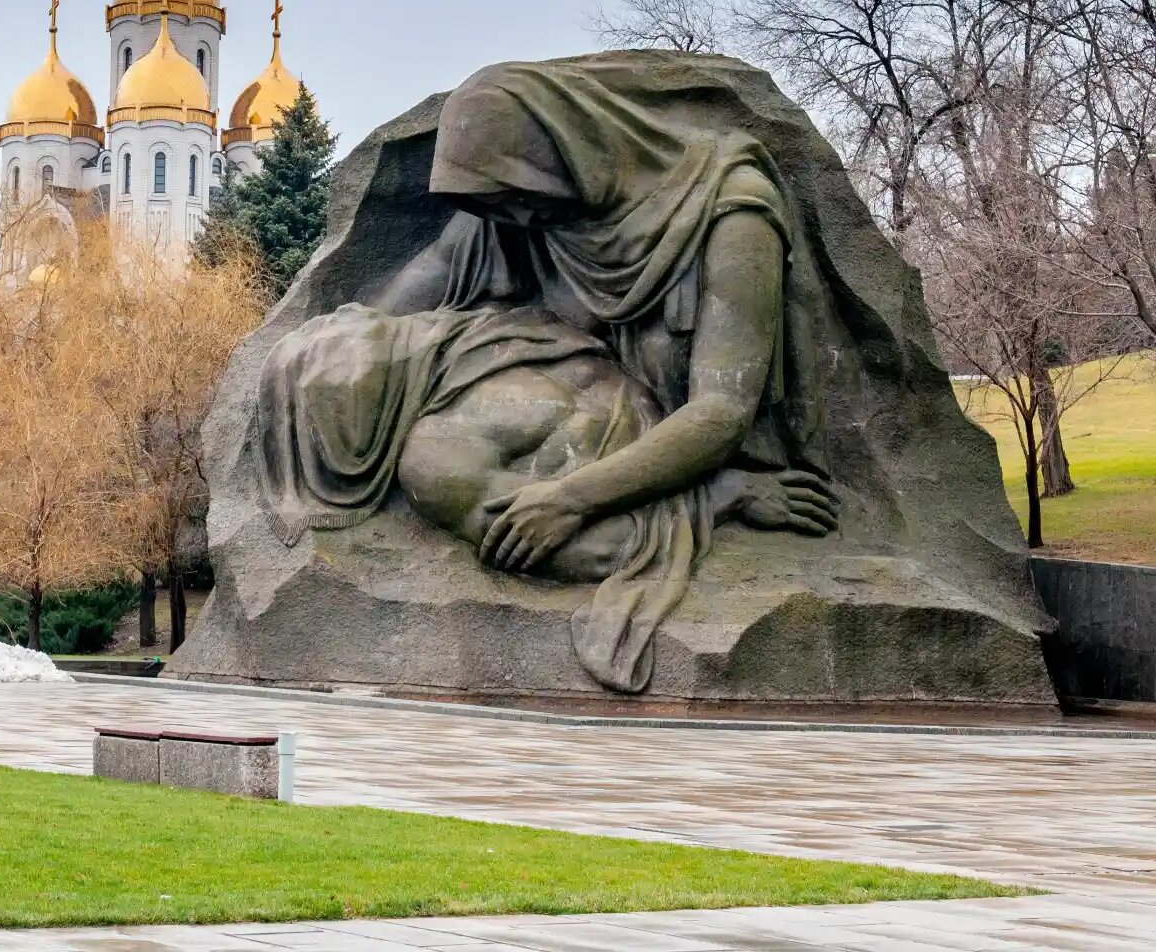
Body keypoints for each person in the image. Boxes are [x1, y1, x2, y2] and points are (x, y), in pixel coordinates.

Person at [255, 59, 839, 691]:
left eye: (518, 196)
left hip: (682, 438)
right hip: (577, 436)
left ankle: (707, 499)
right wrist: (330, 350)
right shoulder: (505, 222)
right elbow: (405, 293)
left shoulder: (730, 213)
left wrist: (569, 500)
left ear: (563, 147)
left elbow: (722, 414)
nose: (516, 220)